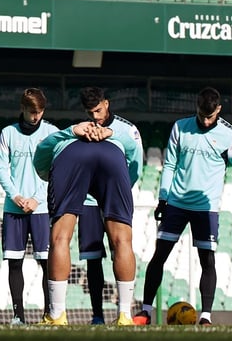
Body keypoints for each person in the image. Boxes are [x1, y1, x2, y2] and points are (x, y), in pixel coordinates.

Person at [135, 87, 232, 326]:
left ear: (218, 110)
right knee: (159, 256)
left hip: (206, 208)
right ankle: (145, 311)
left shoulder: (231, 135)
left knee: (207, 260)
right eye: (201, 115)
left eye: (210, 116)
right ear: (196, 108)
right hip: (176, 203)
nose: (205, 120)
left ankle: (206, 316)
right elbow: (169, 165)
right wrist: (163, 198)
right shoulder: (180, 127)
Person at [33, 114, 135, 326]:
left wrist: (71, 131)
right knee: (123, 240)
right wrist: (111, 134)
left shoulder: (61, 142)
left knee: (61, 237)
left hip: (71, 156)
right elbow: (133, 151)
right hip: (113, 154)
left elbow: (41, 154)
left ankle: (57, 315)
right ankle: (125, 315)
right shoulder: (115, 138)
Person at [76, 87, 142, 326]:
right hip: (89, 202)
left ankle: (124, 313)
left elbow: (136, 166)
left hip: (116, 198)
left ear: (107, 103)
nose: (95, 116)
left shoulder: (128, 130)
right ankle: (97, 315)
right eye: (90, 112)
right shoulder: (82, 130)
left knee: (121, 247)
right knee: (93, 258)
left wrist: (119, 190)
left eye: (98, 110)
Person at [0, 88, 58, 325]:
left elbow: (56, 171)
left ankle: (47, 314)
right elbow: (1, 168)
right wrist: (16, 196)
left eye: (40, 112)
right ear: (22, 108)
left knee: (46, 262)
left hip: (41, 209)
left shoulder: (52, 133)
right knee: (15, 261)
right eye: (32, 112)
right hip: (14, 208)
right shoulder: (7, 133)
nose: (36, 117)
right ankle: (18, 315)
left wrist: (37, 198)